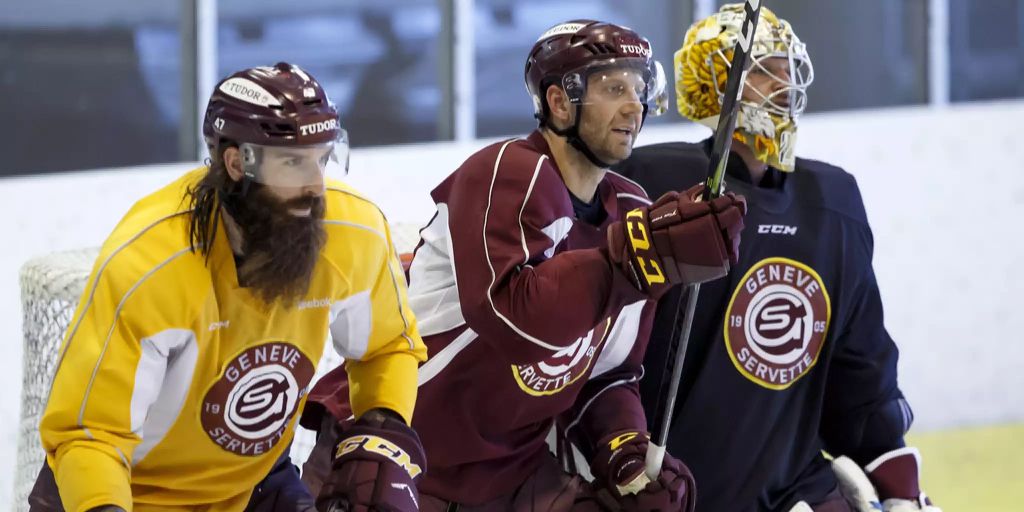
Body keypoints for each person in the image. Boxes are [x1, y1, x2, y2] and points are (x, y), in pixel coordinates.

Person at [302, 20, 746, 512]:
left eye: (640, 89)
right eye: (614, 88)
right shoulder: (506, 172)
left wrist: (624, 449)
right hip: (395, 453)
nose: (634, 106)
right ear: (559, 102)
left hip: (510, 473)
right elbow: (515, 316)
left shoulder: (632, 211)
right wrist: (639, 259)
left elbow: (604, 373)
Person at [30, 62, 427, 512]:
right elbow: (91, 437)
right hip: (124, 495)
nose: (317, 186)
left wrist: (382, 428)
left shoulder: (352, 232)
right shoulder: (152, 264)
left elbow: (387, 346)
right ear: (237, 163)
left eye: (322, 158)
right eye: (293, 163)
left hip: (252, 486)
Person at [613, 5, 940, 512]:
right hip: (671, 491)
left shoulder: (833, 202)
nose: (783, 82)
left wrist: (899, 486)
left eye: (787, 67)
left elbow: (860, 367)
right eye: (764, 70)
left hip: (793, 491)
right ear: (714, 86)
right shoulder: (652, 185)